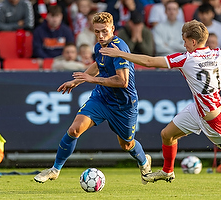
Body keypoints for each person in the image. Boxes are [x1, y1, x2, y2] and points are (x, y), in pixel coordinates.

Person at [100, 19, 221, 189]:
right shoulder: (220, 55)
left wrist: (121, 54)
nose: (184, 44)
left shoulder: (187, 58)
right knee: (167, 135)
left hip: (215, 116)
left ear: (193, 41)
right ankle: (168, 171)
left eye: (185, 41)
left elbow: (149, 61)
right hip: (197, 109)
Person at [34, 12, 152, 185]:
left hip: (123, 105)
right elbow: (98, 65)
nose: (101, 36)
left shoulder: (119, 49)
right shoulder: (99, 46)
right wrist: (77, 81)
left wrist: (92, 80)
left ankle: (144, 161)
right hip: (101, 98)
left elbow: (123, 81)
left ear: (112, 29)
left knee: (126, 144)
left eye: (104, 31)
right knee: (74, 130)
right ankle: (55, 169)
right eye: (97, 32)